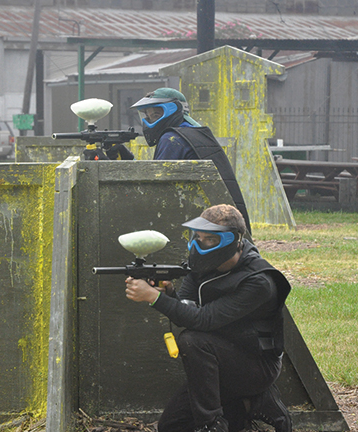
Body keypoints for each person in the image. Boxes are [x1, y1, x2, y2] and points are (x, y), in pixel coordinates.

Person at [124, 204, 292, 432]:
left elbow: (203, 320)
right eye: (198, 237)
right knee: (171, 427)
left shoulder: (258, 282)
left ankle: (211, 425)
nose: (200, 245)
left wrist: (154, 298)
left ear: (233, 240)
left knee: (192, 340)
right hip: (217, 362)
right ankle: (248, 404)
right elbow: (187, 309)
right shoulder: (202, 265)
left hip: (256, 365)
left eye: (210, 239)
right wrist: (168, 295)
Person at [130, 88, 251, 233]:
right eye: (149, 116)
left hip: (198, 220)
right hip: (219, 217)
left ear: (173, 110)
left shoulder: (172, 139)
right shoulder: (197, 133)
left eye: (156, 114)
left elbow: (156, 188)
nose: (151, 120)